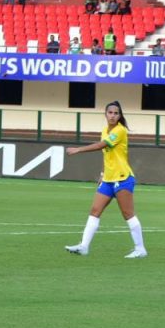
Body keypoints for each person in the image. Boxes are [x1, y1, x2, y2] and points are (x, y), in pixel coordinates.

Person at [64, 101, 147, 259]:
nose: (113, 116)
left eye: (116, 113)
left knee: (128, 214)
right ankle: (84, 246)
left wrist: (78, 150)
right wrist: (103, 173)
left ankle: (140, 248)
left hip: (123, 178)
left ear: (120, 116)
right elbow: (106, 153)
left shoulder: (120, 131)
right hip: (108, 179)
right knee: (95, 211)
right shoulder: (105, 130)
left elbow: (102, 145)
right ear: (105, 114)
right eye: (110, 112)